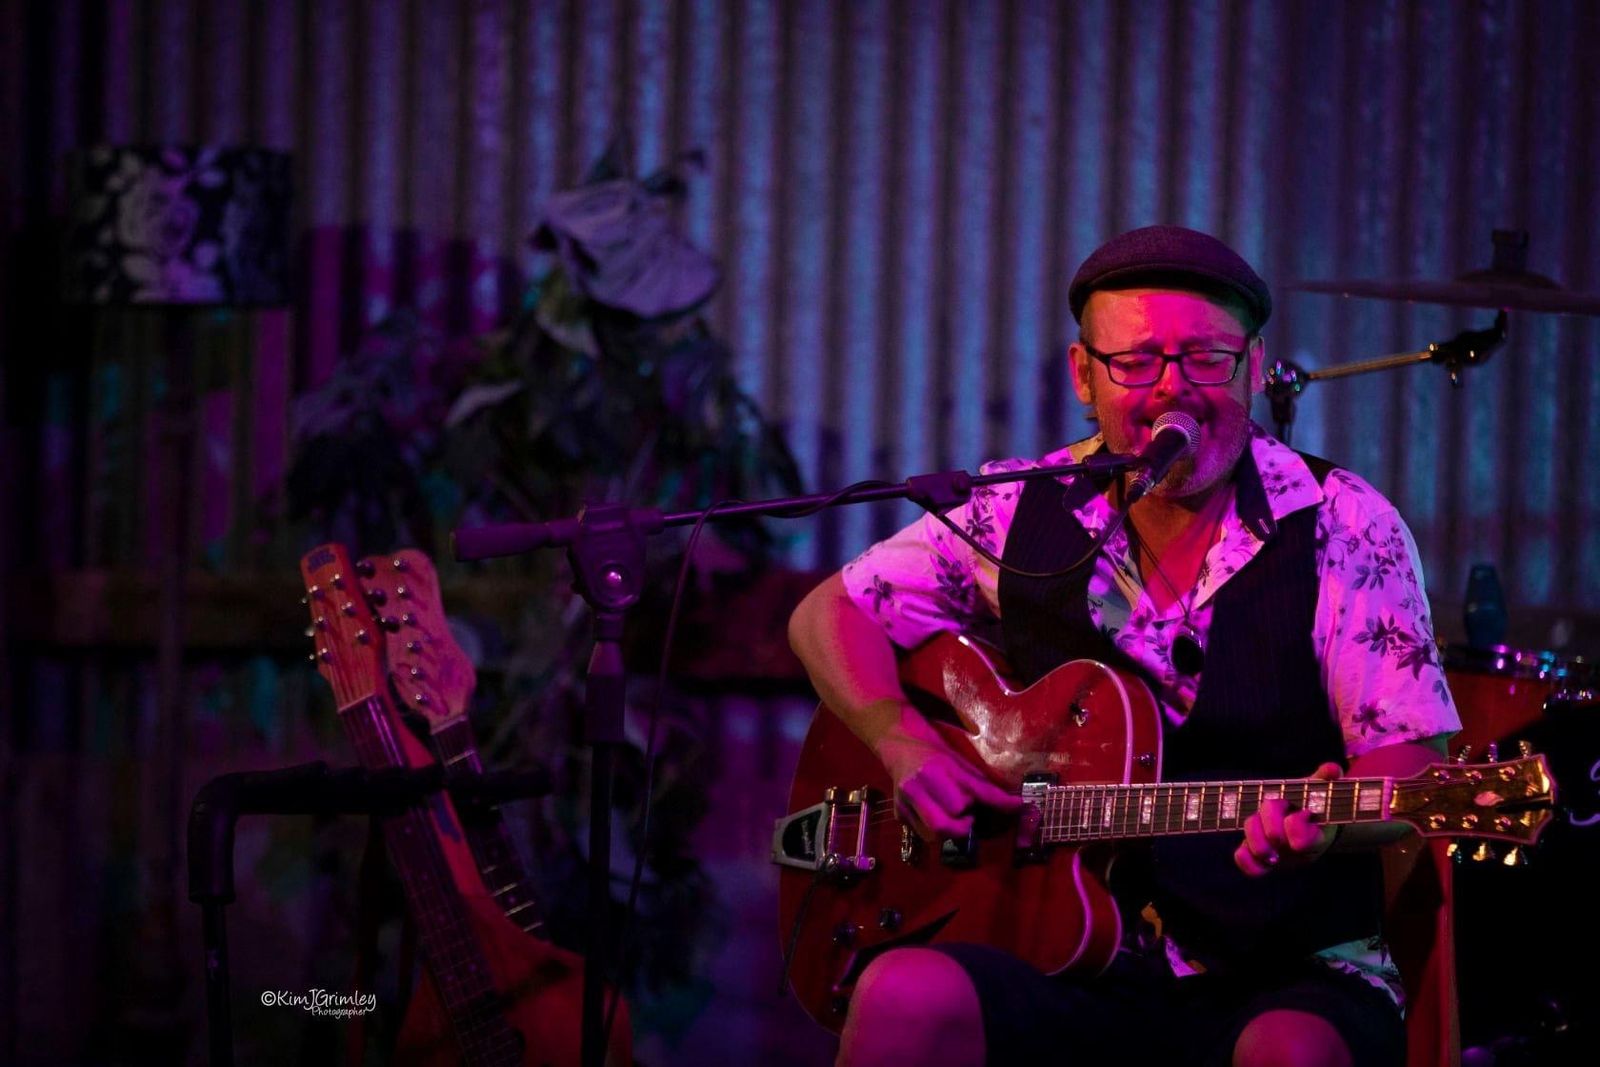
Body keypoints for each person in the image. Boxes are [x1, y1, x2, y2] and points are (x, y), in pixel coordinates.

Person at [787, 225, 1461, 1067]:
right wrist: (900, 740)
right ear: (1084, 376)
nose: (1173, 390)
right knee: (904, 998)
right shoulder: (1018, 508)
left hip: (1285, 964)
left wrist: (1326, 825)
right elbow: (828, 614)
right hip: (1065, 955)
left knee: (1288, 1052)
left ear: (1254, 368)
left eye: (1206, 358)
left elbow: (1413, 765)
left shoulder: (1343, 522)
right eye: (1137, 362)